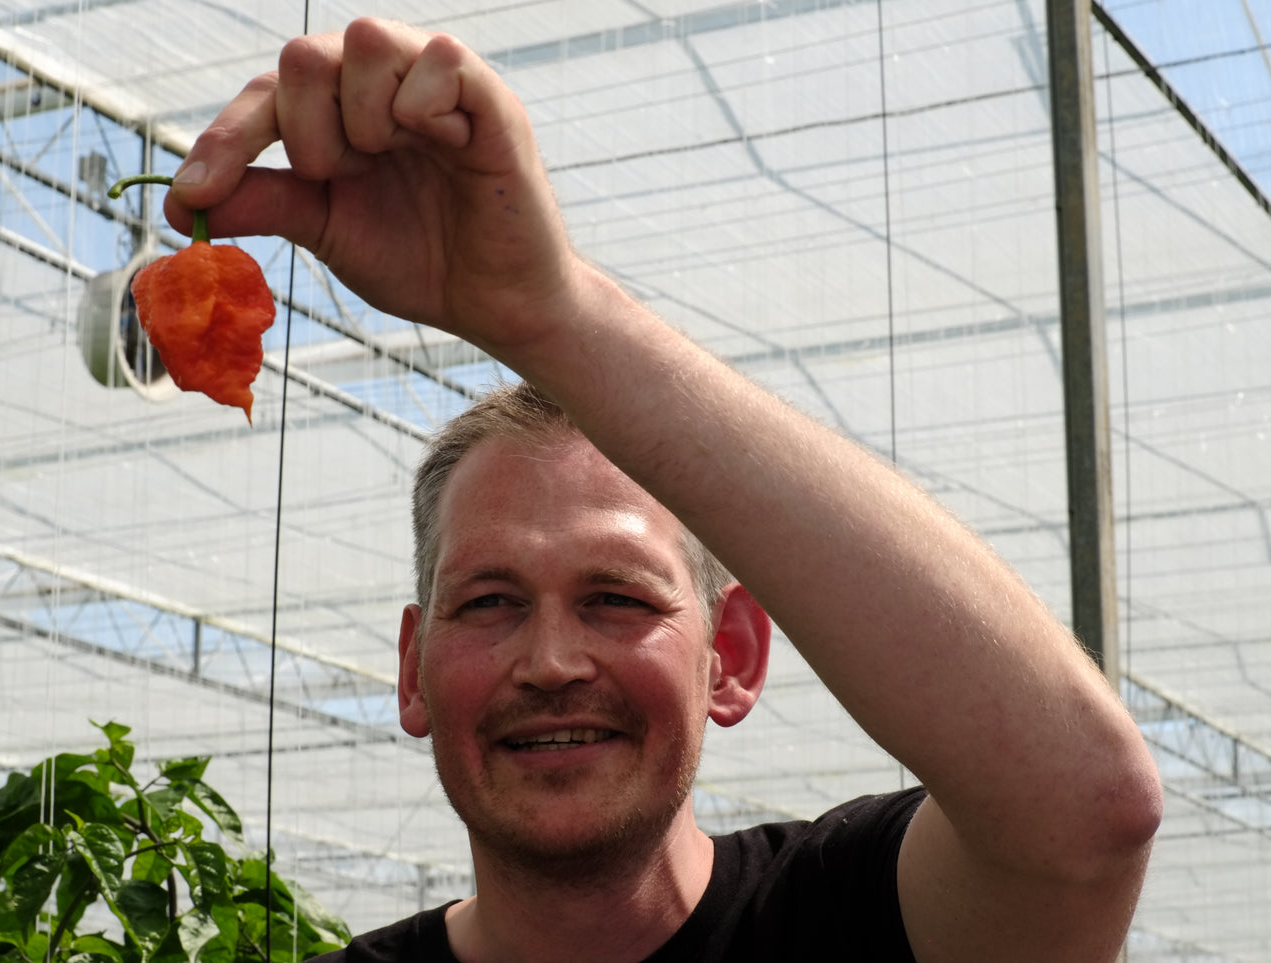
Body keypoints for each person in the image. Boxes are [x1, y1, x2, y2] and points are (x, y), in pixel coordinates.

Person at [163, 19, 1163, 962]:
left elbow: (1082, 811)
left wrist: (548, 312)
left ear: (728, 654)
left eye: (618, 597)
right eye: (489, 603)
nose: (550, 661)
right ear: (413, 670)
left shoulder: (840, 920)